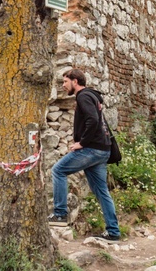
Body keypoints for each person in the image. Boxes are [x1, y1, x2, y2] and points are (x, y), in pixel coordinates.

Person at [48, 69, 120, 242]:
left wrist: (82, 143)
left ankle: (59, 215)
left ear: (75, 81)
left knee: (58, 170)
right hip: (103, 150)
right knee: (102, 191)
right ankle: (113, 232)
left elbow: (93, 120)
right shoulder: (93, 96)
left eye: (65, 81)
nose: (63, 86)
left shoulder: (83, 96)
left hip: (92, 149)